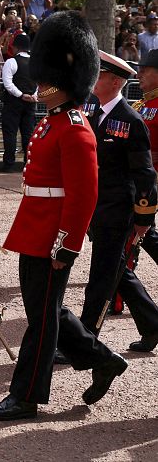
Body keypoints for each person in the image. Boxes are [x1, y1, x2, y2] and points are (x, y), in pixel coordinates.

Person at [0, 12, 129, 420]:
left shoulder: (76, 128)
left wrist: (66, 244)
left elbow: (83, 196)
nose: (38, 83)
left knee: (42, 320)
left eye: (46, 77)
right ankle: (102, 360)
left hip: (52, 235)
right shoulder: (53, 123)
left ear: (64, 80)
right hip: (35, 228)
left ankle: (26, 395)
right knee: (44, 311)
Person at [76, 52, 158, 339]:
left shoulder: (130, 119)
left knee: (101, 276)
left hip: (118, 209)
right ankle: (152, 324)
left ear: (114, 81)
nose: (93, 79)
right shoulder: (90, 111)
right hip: (95, 206)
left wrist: (144, 216)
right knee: (118, 270)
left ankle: (85, 341)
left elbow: (145, 174)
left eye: (99, 75)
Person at [128, 48, 158, 351]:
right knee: (142, 236)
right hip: (135, 180)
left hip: (150, 182)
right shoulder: (140, 104)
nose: (140, 75)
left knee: (139, 233)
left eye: (145, 71)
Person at [0, 33, 36, 172]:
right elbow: (39, 82)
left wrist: (21, 95)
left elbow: (7, 83)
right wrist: (34, 96)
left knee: (10, 133)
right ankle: (29, 164)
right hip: (31, 102)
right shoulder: (34, 63)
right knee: (28, 134)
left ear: (15, 47)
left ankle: (9, 164)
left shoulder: (11, 61)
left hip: (13, 102)